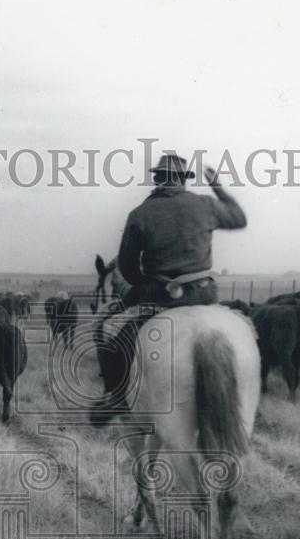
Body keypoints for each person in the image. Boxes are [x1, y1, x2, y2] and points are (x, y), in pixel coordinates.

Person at [95, 153, 247, 413]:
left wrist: (142, 285)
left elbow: (128, 267)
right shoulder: (206, 204)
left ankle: (116, 397)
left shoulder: (140, 213)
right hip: (204, 295)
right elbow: (239, 219)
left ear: (158, 178)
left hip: (159, 296)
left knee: (107, 328)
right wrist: (219, 188)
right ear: (183, 180)